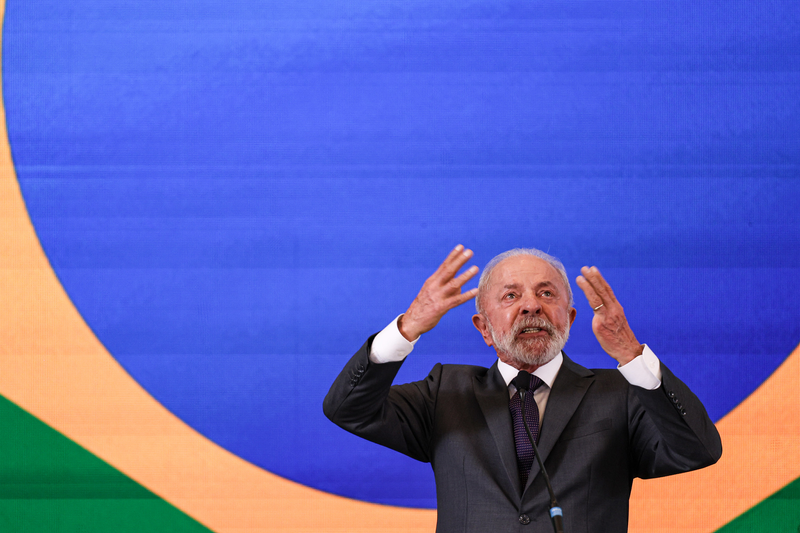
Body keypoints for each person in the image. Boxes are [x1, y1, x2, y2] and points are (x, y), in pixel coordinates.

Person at [324, 245, 722, 533]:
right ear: (484, 328)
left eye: (546, 293)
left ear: (569, 318)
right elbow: (348, 409)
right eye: (511, 296)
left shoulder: (619, 393)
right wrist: (407, 327)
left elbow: (697, 451)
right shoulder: (445, 392)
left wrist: (631, 354)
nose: (531, 306)